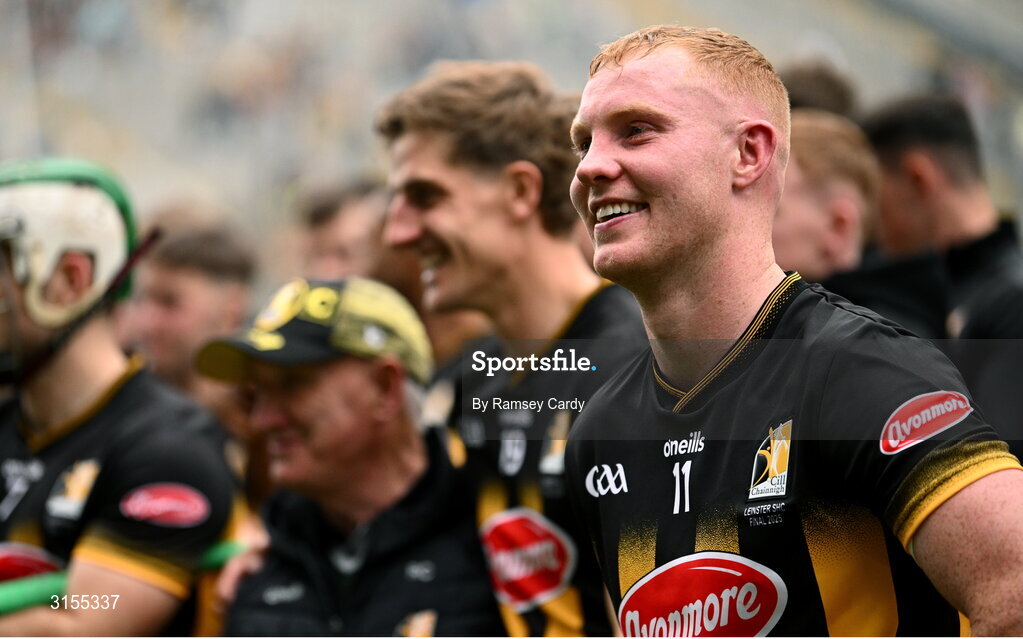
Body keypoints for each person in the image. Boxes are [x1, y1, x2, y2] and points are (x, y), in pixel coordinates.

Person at [564, 25, 1023, 637]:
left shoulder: (859, 371)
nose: (590, 166)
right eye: (582, 142)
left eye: (637, 130)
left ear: (748, 154)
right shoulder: (601, 432)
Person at [379, 61, 646, 636]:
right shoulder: (470, 385)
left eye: (424, 196)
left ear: (520, 191)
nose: (396, 233)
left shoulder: (635, 372)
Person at [0, 158, 242, 636]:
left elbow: (91, 616)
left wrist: (56, 598)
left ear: (71, 281)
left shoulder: (170, 450)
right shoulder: (10, 422)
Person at [194, 276, 505, 637]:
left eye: (292, 383)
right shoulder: (256, 568)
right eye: (258, 392)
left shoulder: (495, 541)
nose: (262, 420)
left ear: (385, 388)